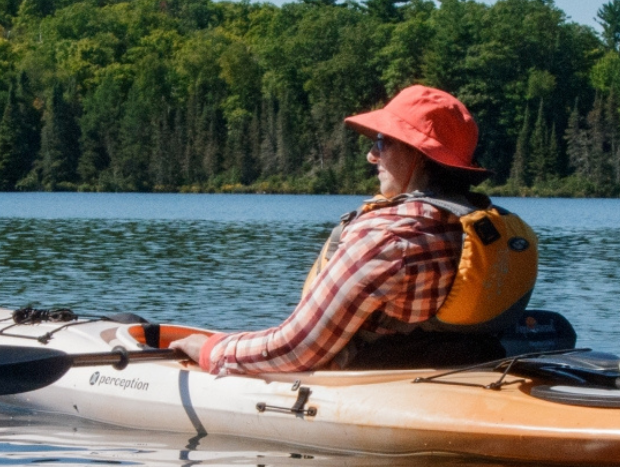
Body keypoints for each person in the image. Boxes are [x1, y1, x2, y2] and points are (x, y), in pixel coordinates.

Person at [173, 84, 536, 375]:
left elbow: (295, 348)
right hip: (462, 371)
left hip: (382, 383)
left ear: (418, 155)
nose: (371, 156)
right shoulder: (475, 223)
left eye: (383, 143)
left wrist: (210, 349)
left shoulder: (389, 237)